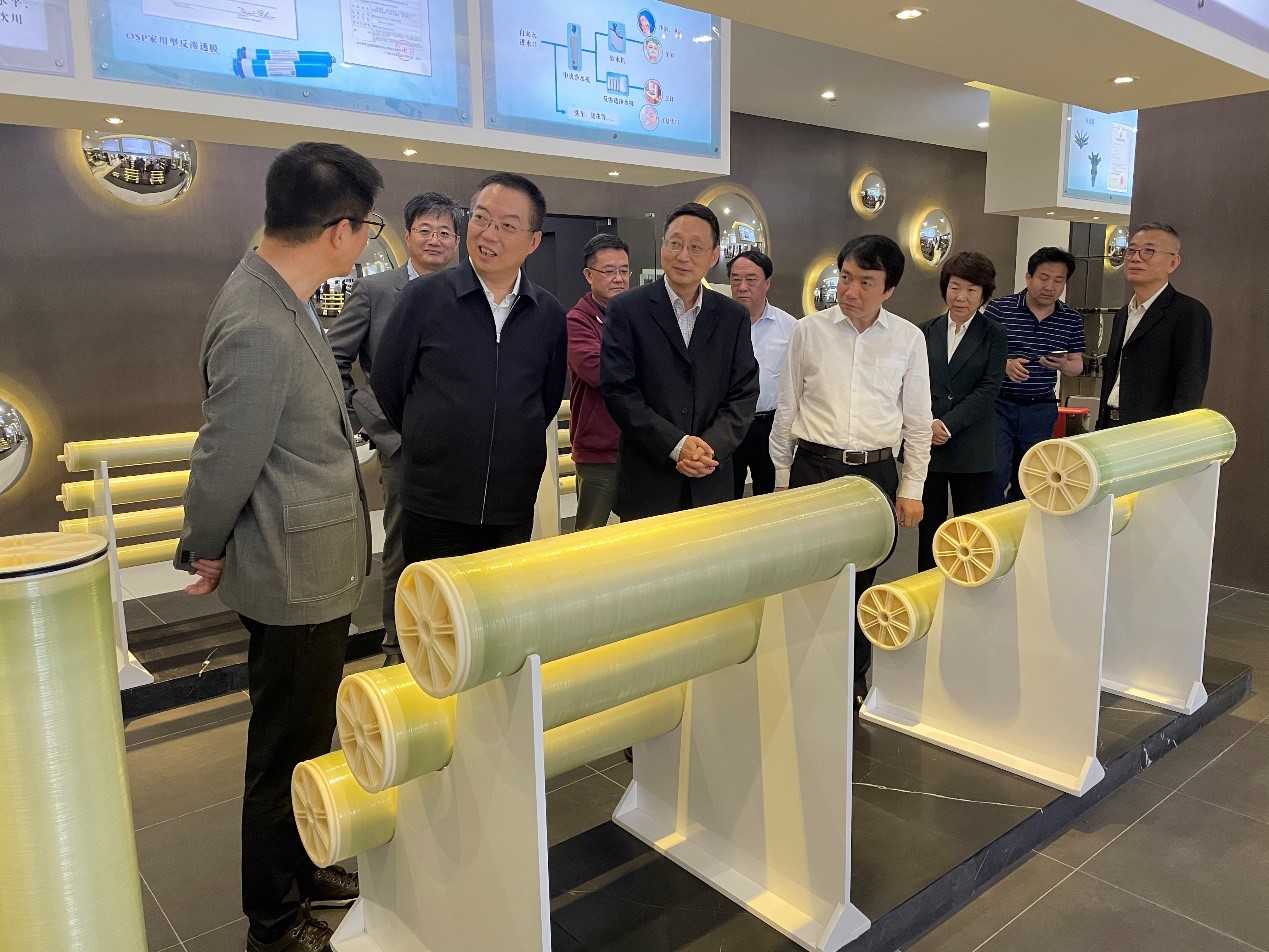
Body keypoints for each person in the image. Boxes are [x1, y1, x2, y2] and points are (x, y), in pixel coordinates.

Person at [175, 142, 381, 952]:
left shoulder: (279, 293)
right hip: (294, 574)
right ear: (338, 229)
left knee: (304, 741)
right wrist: (205, 545)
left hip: (308, 565)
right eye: (367, 227)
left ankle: (303, 866)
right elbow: (225, 455)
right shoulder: (260, 319)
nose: (365, 241)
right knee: (282, 754)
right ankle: (273, 920)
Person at [371, 172, 567, 564]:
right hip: (433, 503)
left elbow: (544, 401)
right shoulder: (423, 298)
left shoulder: (547, 314)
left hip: (511, 504)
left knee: (503, 599)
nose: (489, 234)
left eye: (507, 226)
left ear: (533, 241)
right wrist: (429, 437)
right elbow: (389, 384)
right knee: (434, 601)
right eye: (481, 218)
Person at [769, 234, 931, 697]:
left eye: (865, 281)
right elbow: (787, 407)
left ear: (888, 289)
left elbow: (918, 422)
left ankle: (853, 680)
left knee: (863, 580)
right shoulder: (809, 331)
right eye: (845, 277)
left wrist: (912, 488)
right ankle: (802, 677)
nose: (850, 290)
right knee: (808, 579)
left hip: (874, 474)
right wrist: (781, 477)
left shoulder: (908, 338)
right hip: (813, 469)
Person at [327, 191, 461, 664]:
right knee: (403, 547)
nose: (435, 240)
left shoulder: (470, 293)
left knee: (458, 546)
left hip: (462, 447)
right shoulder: (376, 291)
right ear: (408, 236)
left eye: (445, 232)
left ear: (457, 241)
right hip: (403, 446)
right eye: (425, 230)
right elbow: (332, 361)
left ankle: (451, 639)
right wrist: (369, 417)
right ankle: (398, 646)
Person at [600, 202, 758, 519]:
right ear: (663, 246)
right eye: (675, 243)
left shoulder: (732, 317)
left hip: (711, 478)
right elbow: (619, 390)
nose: (683, 256)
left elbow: (743, 393)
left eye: (696, 247)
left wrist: (708, 448)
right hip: (648, 480)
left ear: (714, 256)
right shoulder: (627, 309)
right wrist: (676, 445)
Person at [918, 252, 1008, 571]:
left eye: (971, 290)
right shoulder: (924, 331)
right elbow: (912, 385)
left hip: (971, 444)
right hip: (928, 443)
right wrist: (928, 423)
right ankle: (926, 587)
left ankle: (966, 585)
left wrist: (947, 424)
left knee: (968, 529)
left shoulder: (994, 334)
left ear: (983, 295)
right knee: (928, 527)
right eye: (955, 287)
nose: (961, 297)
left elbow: (988, 390)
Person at [984, 247, 1085, 503]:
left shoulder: (1070, 318)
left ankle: (1020, 524)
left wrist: (1062, 364)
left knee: (1031, 476)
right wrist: (1005, 364)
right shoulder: (1000, 308)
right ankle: (990, 523)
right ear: (1029, 277)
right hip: (999, 405)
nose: (1050, 286)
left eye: (1058, 280)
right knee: (993, 474)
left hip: (1040, 407)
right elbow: (979, 354)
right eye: (1044, 278)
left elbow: (1077, 366)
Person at [1097, 222, 1212, 428]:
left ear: (1173, 263)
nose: (1136, 258)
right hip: (1111, 425)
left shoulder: (1188, 312)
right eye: (1131, 250)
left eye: (1148, 251)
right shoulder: (1123, 314)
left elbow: (1190, 387)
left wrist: (1170, 436)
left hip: (1152, 431)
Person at [566, 233, 630, 530]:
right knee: (589, 534)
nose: (618, 278)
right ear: (589, 275)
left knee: (643, 532)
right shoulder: (578, 320)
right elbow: (597, 373)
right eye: (609, 271)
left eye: (624, 270)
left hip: (641, 447)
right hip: (598, 450)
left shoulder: (638, 314)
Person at [727, 249, 795, 499]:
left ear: (767, 283)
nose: (742, 287)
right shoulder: (718, 324)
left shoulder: (789, 327)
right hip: (728, 423)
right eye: (736, 279)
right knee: (725, 497)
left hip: (769, 426)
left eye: (751, 279)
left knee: (769, 497)